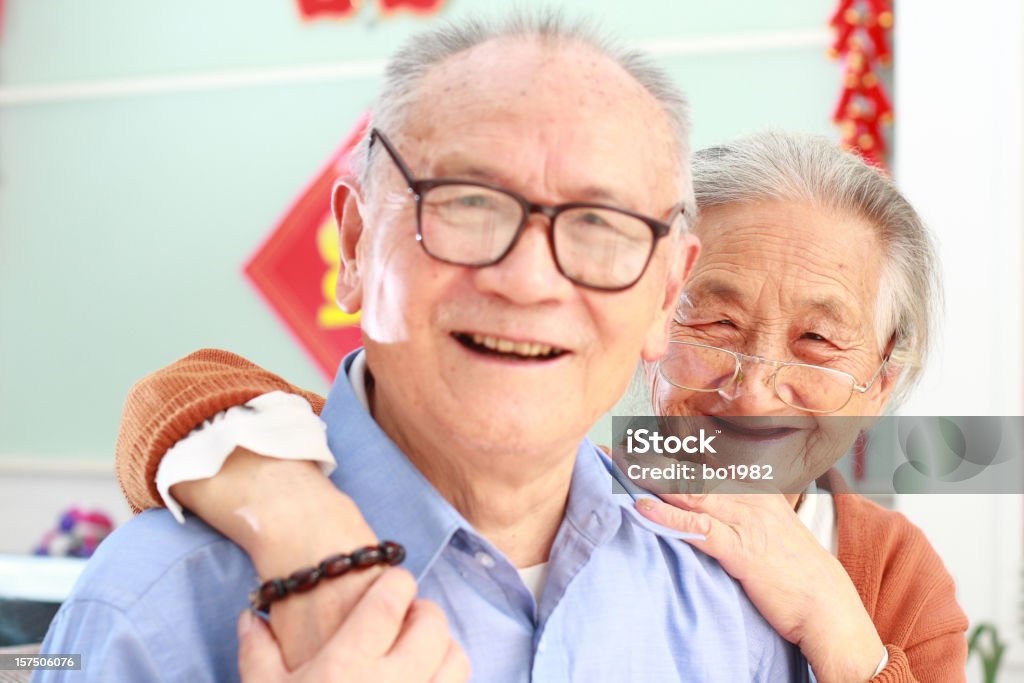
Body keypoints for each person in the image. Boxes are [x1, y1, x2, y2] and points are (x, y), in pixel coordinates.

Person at [38, 12, 802, 683]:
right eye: (467, 203)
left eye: (600, 224)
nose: (529, 279)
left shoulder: (732, 600)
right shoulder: (149, 610)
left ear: (667, 294)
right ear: (357, 242)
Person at [107, 132, 969, 682]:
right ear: (652, 314)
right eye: (714, 319)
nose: (752, 386)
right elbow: (185, 397)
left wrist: (835, 621)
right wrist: (297, 519)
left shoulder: (891, 568)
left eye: (820, 344)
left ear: (881, 384)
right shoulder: (564, 486)